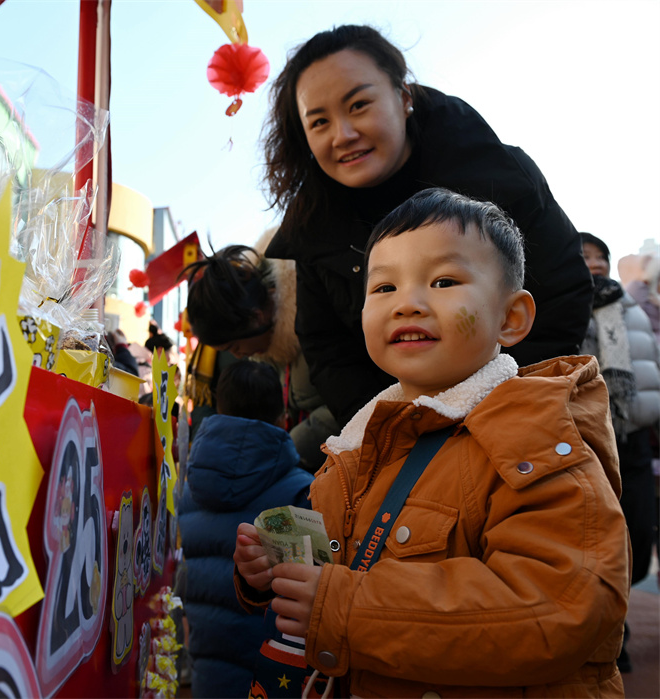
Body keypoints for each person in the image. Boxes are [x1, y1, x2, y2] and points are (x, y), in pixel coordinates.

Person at [233, 189, 629, 697]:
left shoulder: (536, 439)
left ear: (511, 319)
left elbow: (561, 606)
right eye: (383, 288)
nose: (407, 304)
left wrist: (344, 607)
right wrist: (275, 575)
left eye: (443, 281)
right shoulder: (356, 445)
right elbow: (340, 568)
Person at [262, 25, 592, 428]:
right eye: (319, 122)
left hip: (519, 425)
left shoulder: (501, 177)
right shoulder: (312, 230)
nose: (343, 135)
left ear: (403, 98)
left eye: (359, 105)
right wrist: (393, 430)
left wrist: (491, 415)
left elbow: (562, 294)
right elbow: (328, 350)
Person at [178, 360, 313, 698]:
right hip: (272, 676)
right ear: (283, 415)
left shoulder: (189, 487)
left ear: (219, 407)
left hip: (206, 666)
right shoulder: (301, 492)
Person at [182, 233, 340, 470]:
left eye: (234, 347)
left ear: (256, 318)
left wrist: (282, 452)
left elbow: (345, 407)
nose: (238, 356)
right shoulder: (271, 345)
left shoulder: (318, 313)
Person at [579, 233, 660, 674]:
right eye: (585, 256)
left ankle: (616, 617)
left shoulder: (632, 312)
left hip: (630, 441)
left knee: (640, 537)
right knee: (597, 544)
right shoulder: (563, 307)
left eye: (600, 256)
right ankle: (611, 634)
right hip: (587, 445)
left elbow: (653, 372)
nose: (594, 263)